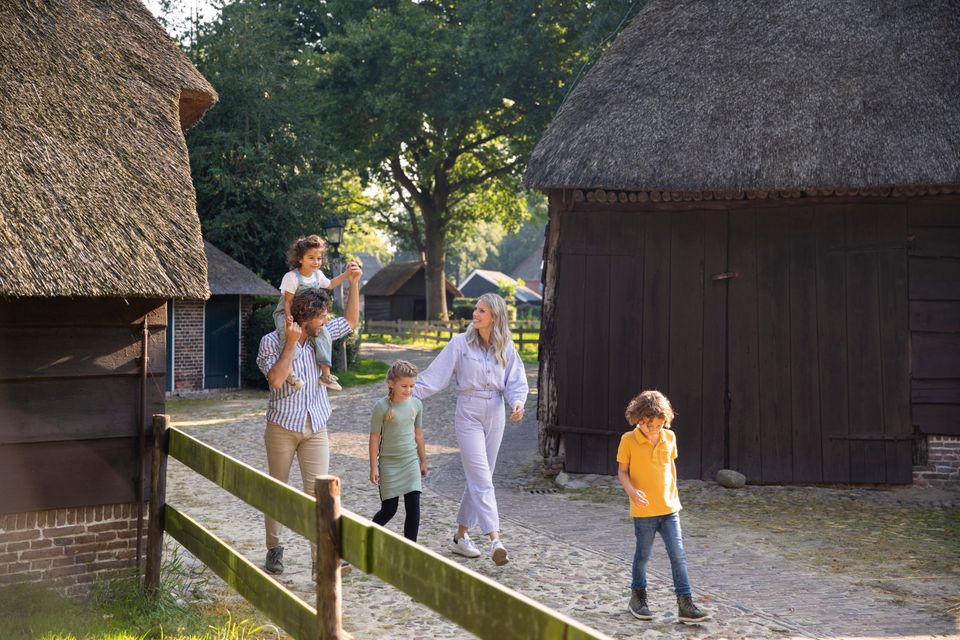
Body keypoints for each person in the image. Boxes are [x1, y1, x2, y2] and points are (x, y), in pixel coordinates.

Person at [256, 261, 361, 576]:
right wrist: (290, 344)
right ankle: (274, 549)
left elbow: (352, 321)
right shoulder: (270, 342)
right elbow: (275, 380)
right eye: (321, 315)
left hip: (316, 425)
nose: (326, 320)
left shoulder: (323, 335)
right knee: (278, 490)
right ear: (304, 317)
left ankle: (322, 560)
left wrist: (354, 283)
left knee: (319, 494)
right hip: (282, 427)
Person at [414, 292, 528, 566]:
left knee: (480, 477)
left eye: (482, 311)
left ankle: (460, 537)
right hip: (468, 413)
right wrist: (403, 393)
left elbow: (516, 381)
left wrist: (518, 403)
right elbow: (433, 377)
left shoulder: (506, 347)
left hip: (496, 412)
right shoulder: (460, 344)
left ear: (495, 317)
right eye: (476, 309)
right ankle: (495, 540)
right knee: (482, 478)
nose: (475, 314)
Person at [617, 390, 710, 624]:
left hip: (670, 510)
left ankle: (685, 603)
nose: (654, 429)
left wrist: (673, 496)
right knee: (643, 556)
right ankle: (638, 598)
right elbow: (622, 472)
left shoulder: (670, 438)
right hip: (644, 512)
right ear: (639, 419)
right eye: (649, 425)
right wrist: (632, 492)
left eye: (659, 425)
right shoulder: (628, 440)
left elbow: (671, 467)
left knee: (678, 555)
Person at [273, 234, 350, 391]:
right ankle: (289, 371)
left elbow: (331, 284)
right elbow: (287, 301)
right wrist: (289, 319)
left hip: (308, 315)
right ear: (300, 259)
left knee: (324, 335)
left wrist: (347, 274)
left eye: (319, 258)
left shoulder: (318, 275)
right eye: (311, 258)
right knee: (287, 334)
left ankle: (325, 375)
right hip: (287, 313)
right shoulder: (292, 277)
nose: (316, 262)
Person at [369, 360, 427, 542]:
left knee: (414, 510)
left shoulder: (417, 405)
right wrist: (373, 467)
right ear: (391, 384)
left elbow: (419, 435)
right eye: (404, 386)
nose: (408, 390)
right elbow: (374, 438)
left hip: (410, 462)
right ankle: (364, 537)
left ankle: (411, 551)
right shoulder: (381, 407)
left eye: (412, 386)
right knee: (389, 510)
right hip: (389, 464)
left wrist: (423, 461)